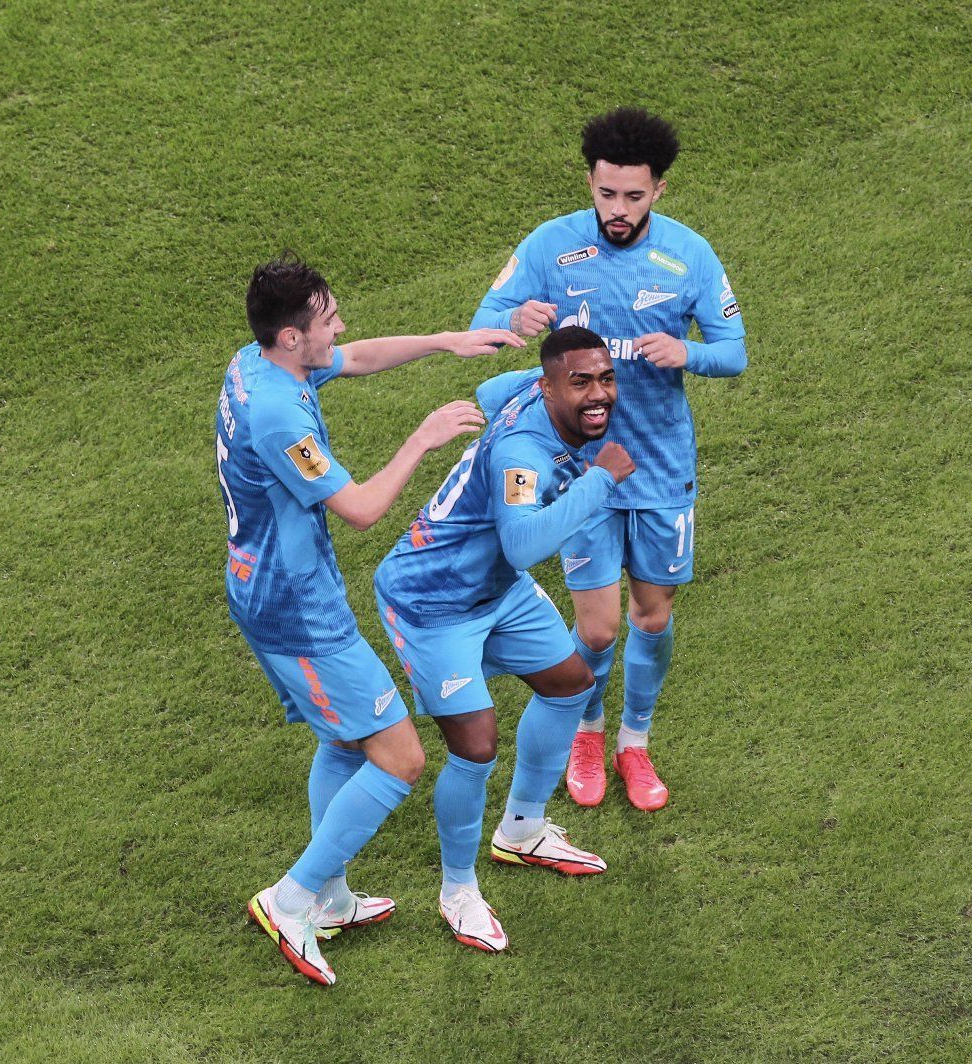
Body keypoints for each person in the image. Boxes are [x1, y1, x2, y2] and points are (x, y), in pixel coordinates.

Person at [218, 252, 520, 986]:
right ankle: (290, 899)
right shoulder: (277, 415)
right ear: (292, 337)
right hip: (297, 612)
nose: (340, 327)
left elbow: (356, 358)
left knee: (347, 743)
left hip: (272, 589)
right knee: (401, 757)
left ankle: (329, 897)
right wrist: (422, 438)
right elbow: (358, 510)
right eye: (327, 319)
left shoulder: (258, 363)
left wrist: (446, 340)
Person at [468, 107, 748, 811]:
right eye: (604, 194)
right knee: (596, 627)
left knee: (652, 617)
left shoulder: (691, 256)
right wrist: (512, 322)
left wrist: (690, 353)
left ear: (660, 190)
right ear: (590, 184)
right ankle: (588, 730)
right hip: (582, 469)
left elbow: (734, 351)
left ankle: (635, 741)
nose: (616, 210)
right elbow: (479, 325)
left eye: (632, 196)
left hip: (659, 467)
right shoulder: (549, 247)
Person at [372, 326, 634, 953]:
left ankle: (522, 829)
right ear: (549, 387)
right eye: (580, 383)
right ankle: (457, 890)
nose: (598, 395)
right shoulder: (523, 456)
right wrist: (601, 481)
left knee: (570, 682)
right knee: (475, 746)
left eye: (605, 379)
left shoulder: (522, 390)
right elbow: (522, 543)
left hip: (497, 589)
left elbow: (491, 387)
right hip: (432, 602)